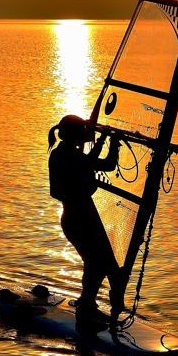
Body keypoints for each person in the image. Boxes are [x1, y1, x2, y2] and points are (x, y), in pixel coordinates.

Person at [48, 114, 124, 319]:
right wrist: (113, 143)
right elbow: (106, 164)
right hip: (76, 221)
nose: (86, 135)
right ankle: (87, 304)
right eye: (83, 132)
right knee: (98, 264)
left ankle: (86, 301)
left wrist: (104, 140)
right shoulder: (69, 156)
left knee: (92, 262)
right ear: (73, 134)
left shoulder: (63, 153)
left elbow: (88, 162)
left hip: (77, 220)